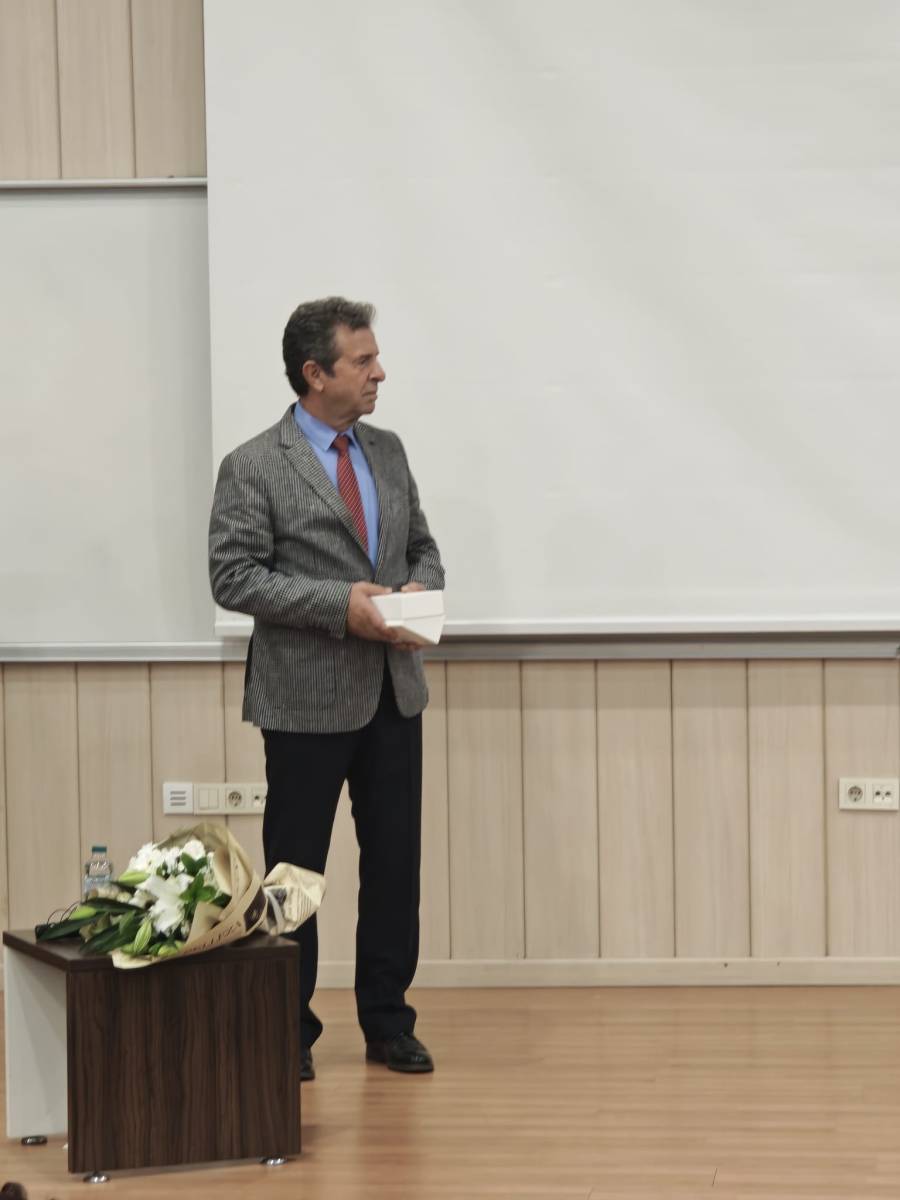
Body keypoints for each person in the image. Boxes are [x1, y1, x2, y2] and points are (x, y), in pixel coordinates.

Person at [209, 297, 445, 1081]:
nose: (380, 373)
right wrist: (341, 606)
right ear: (315, 373)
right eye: (363, 361)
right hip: (304, 702)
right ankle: (289, 1029)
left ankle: (388, 1021)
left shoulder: (388, 451)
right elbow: (234, 577)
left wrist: (417, 589)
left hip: (394, 693)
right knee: (295, 875)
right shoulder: (253, 465)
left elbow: (422, 546)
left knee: (394, 867)